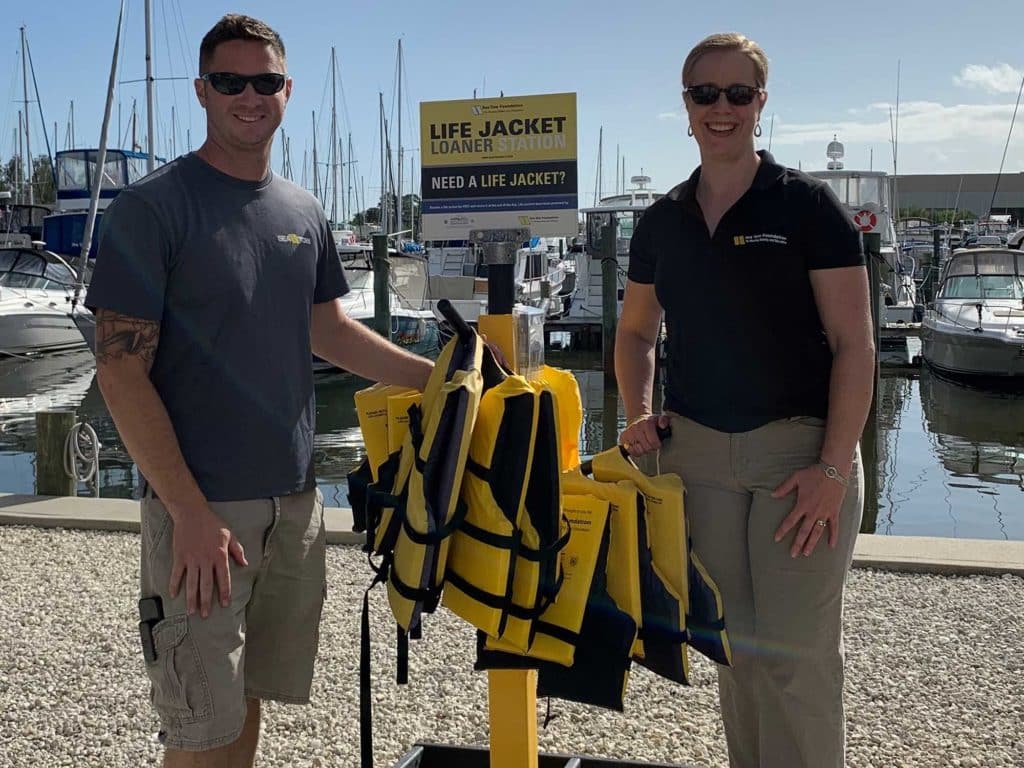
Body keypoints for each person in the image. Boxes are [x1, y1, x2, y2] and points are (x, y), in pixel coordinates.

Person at [86, 14, 433, 768]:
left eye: (265, 82)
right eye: (230, 81)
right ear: (201, 91)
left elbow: (328, 330)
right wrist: (188, 513)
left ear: (287, 90)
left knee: (246, 706)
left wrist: (440, 380)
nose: (249, 96)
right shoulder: (153, 207)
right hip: (202, 508)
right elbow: (119, 370)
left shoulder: (301, 210)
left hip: (295, 504)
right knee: (200, 727)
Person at [615, 32, 875, 768]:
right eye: (706, 94)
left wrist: (833, 469)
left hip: (801, 456)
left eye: (738, 93)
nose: (721, 108)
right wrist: (637, 413)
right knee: (736, 650)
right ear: (686, 104)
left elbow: (855, 346)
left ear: (761, 103)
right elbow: (635, 333)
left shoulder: (807, 206)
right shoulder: (662, 219)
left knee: (798, 658)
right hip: (699, 458)